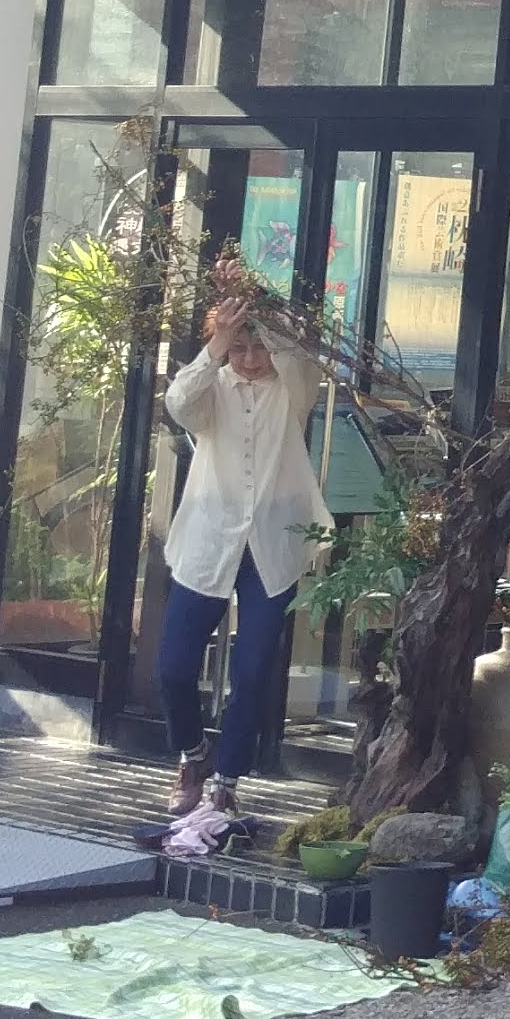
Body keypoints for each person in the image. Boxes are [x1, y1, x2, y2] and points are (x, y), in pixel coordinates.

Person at [155, 262, 332, 818]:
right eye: (240, 348)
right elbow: (178, 405)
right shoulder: (212, 390)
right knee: (174, 667)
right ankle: (193, 753)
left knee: (253, 669)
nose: (251, 359)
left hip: (273, 544)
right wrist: (216, 345)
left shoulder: (293, 388)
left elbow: (299, 356)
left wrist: (248, 295)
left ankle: (227, 779)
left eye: (259, 347)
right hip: (210, 539)